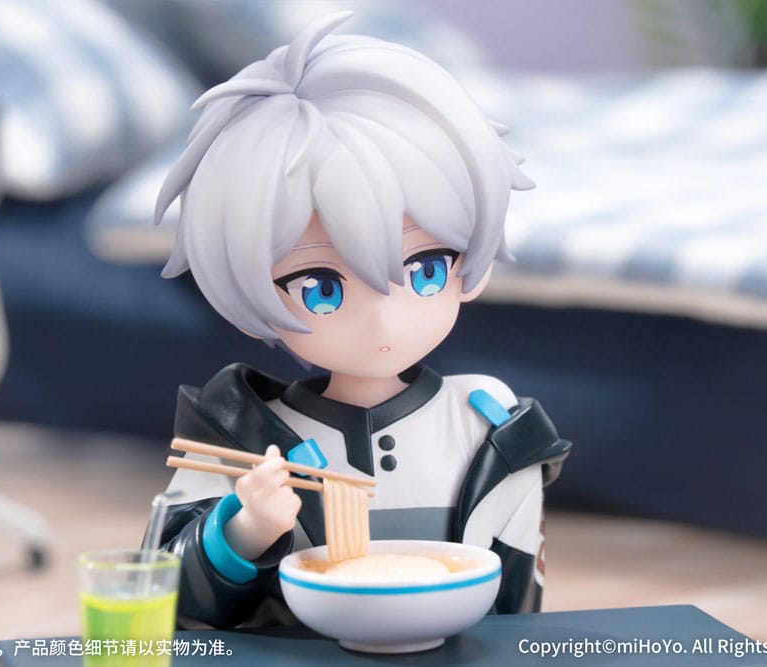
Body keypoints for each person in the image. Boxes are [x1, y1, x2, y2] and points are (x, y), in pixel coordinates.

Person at [152, 12, 571, 629]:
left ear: (472, 264)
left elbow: (518, 603)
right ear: (246, 292)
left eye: (425, 269)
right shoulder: (238, 435)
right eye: (322, 288)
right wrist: (238, 531)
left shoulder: (489, 425)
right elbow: (157, 596)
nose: (384, 318)